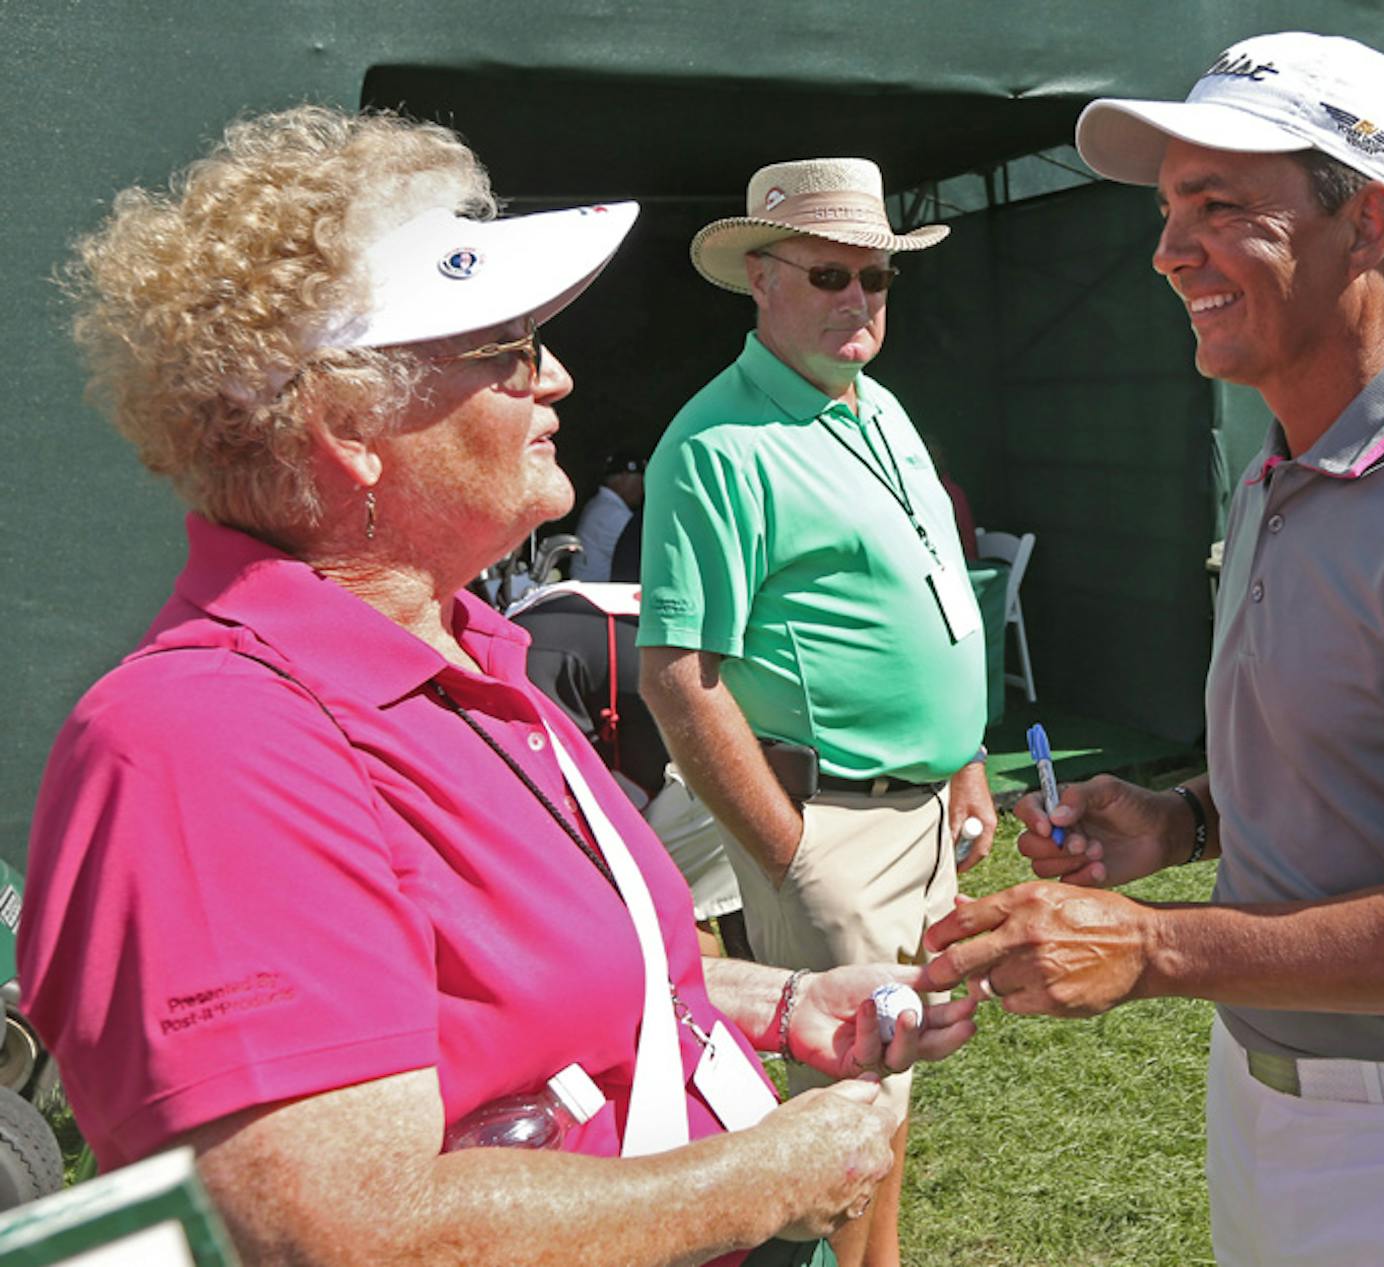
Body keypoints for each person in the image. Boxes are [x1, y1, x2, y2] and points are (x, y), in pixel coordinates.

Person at [20, 106, 974, 1267]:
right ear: (345, 425)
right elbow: (333, 1235)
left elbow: (533, 988)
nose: (559, 378)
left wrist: (772, 1004)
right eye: (509, 350)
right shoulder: (202, 746)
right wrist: (760, 1180)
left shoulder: (467, 649)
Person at [922, 32, 1384, 1266]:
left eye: (1222, 206)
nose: (1171, 250)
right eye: (1172, 210)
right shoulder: (1282, 468)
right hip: (1274, 1101)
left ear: (1370, 220)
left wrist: (1156, 945)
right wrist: (1184, 820)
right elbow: (1374, 757)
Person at [639, 157, 995, 1267]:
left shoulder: (873, 403)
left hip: (920, 812)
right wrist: (793, 855)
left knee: (883, 1089)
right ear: (762, 278)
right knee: (846, 1104)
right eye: (831, 274)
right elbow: (675, 674)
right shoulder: (715, 446)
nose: (859, 299)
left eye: (877, 278)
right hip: (832, 823)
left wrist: (963, 760)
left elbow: (935, 594)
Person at [510, 580, 752, 961]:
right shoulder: (541, 618)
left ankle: (696, 1012)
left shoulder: (523, 656)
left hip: (731, 739)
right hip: (744, 722)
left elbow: (562, 800)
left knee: (661, 900)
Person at [570, 449, 645, 580]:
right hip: (596, 594)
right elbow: (643, 558)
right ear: (624, 477)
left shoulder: (601, 505)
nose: (643, 487)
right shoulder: (612, 514)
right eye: (640, 480)